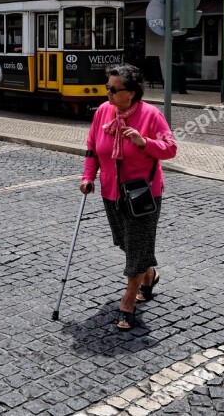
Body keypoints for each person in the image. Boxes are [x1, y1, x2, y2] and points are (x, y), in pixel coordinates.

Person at [80, 64, 177, 332]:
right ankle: (149, 275)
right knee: (126, 243)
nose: (108, 93)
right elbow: (92, 148)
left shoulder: (151, 115)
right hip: (111, 192)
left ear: (131, 93)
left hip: (143, 195)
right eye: (107, 88)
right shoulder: (103, 112)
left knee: (136, 248)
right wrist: (88, 177)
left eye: (113, 89)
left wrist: (144, 142)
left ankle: (128, 302)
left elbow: (170, 149)